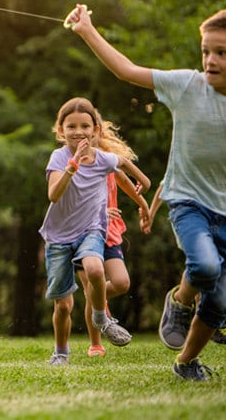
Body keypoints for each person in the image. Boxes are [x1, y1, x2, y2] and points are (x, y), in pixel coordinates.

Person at [67, 4, 226, 381]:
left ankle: (186, 362)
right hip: (186, 200)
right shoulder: (186, 85)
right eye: (205, 51)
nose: (209, 60)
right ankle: (179, 301)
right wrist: (87, 30)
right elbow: (126, 70)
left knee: (220, 301)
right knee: (206, 266)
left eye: (221, 53)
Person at [40, 97, 149, 365]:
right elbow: (54, 195)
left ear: (95, 131)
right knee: (64, 306)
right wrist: (72, 166)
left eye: (85, 126)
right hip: (59, 236)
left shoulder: (102, 158)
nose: (78, 132)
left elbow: (122, 164)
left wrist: (144, 184)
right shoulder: (59, 157)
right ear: (61, 131)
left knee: (96, 270)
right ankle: (61, 353)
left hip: (91, 230)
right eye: (71, 126)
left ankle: (101, 317)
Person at [80, 120, 152, 357]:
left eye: (88, 128)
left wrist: (143, 206)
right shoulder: (71, 164)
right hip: (81, 232)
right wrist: (99, 212)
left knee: (121, 283)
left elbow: (123, 181)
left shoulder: (107, 160)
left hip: (109, 232)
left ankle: (97, 300)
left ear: (97, 132)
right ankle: (96, 344)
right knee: (92, 282)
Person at [145, 183, 226, 346]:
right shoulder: (182, 162)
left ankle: (207, 320)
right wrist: (150, 213)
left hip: (215, 214)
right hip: (188, 216)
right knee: (202, 263)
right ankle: (193, 313)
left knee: (215, 265)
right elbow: (163, 186)